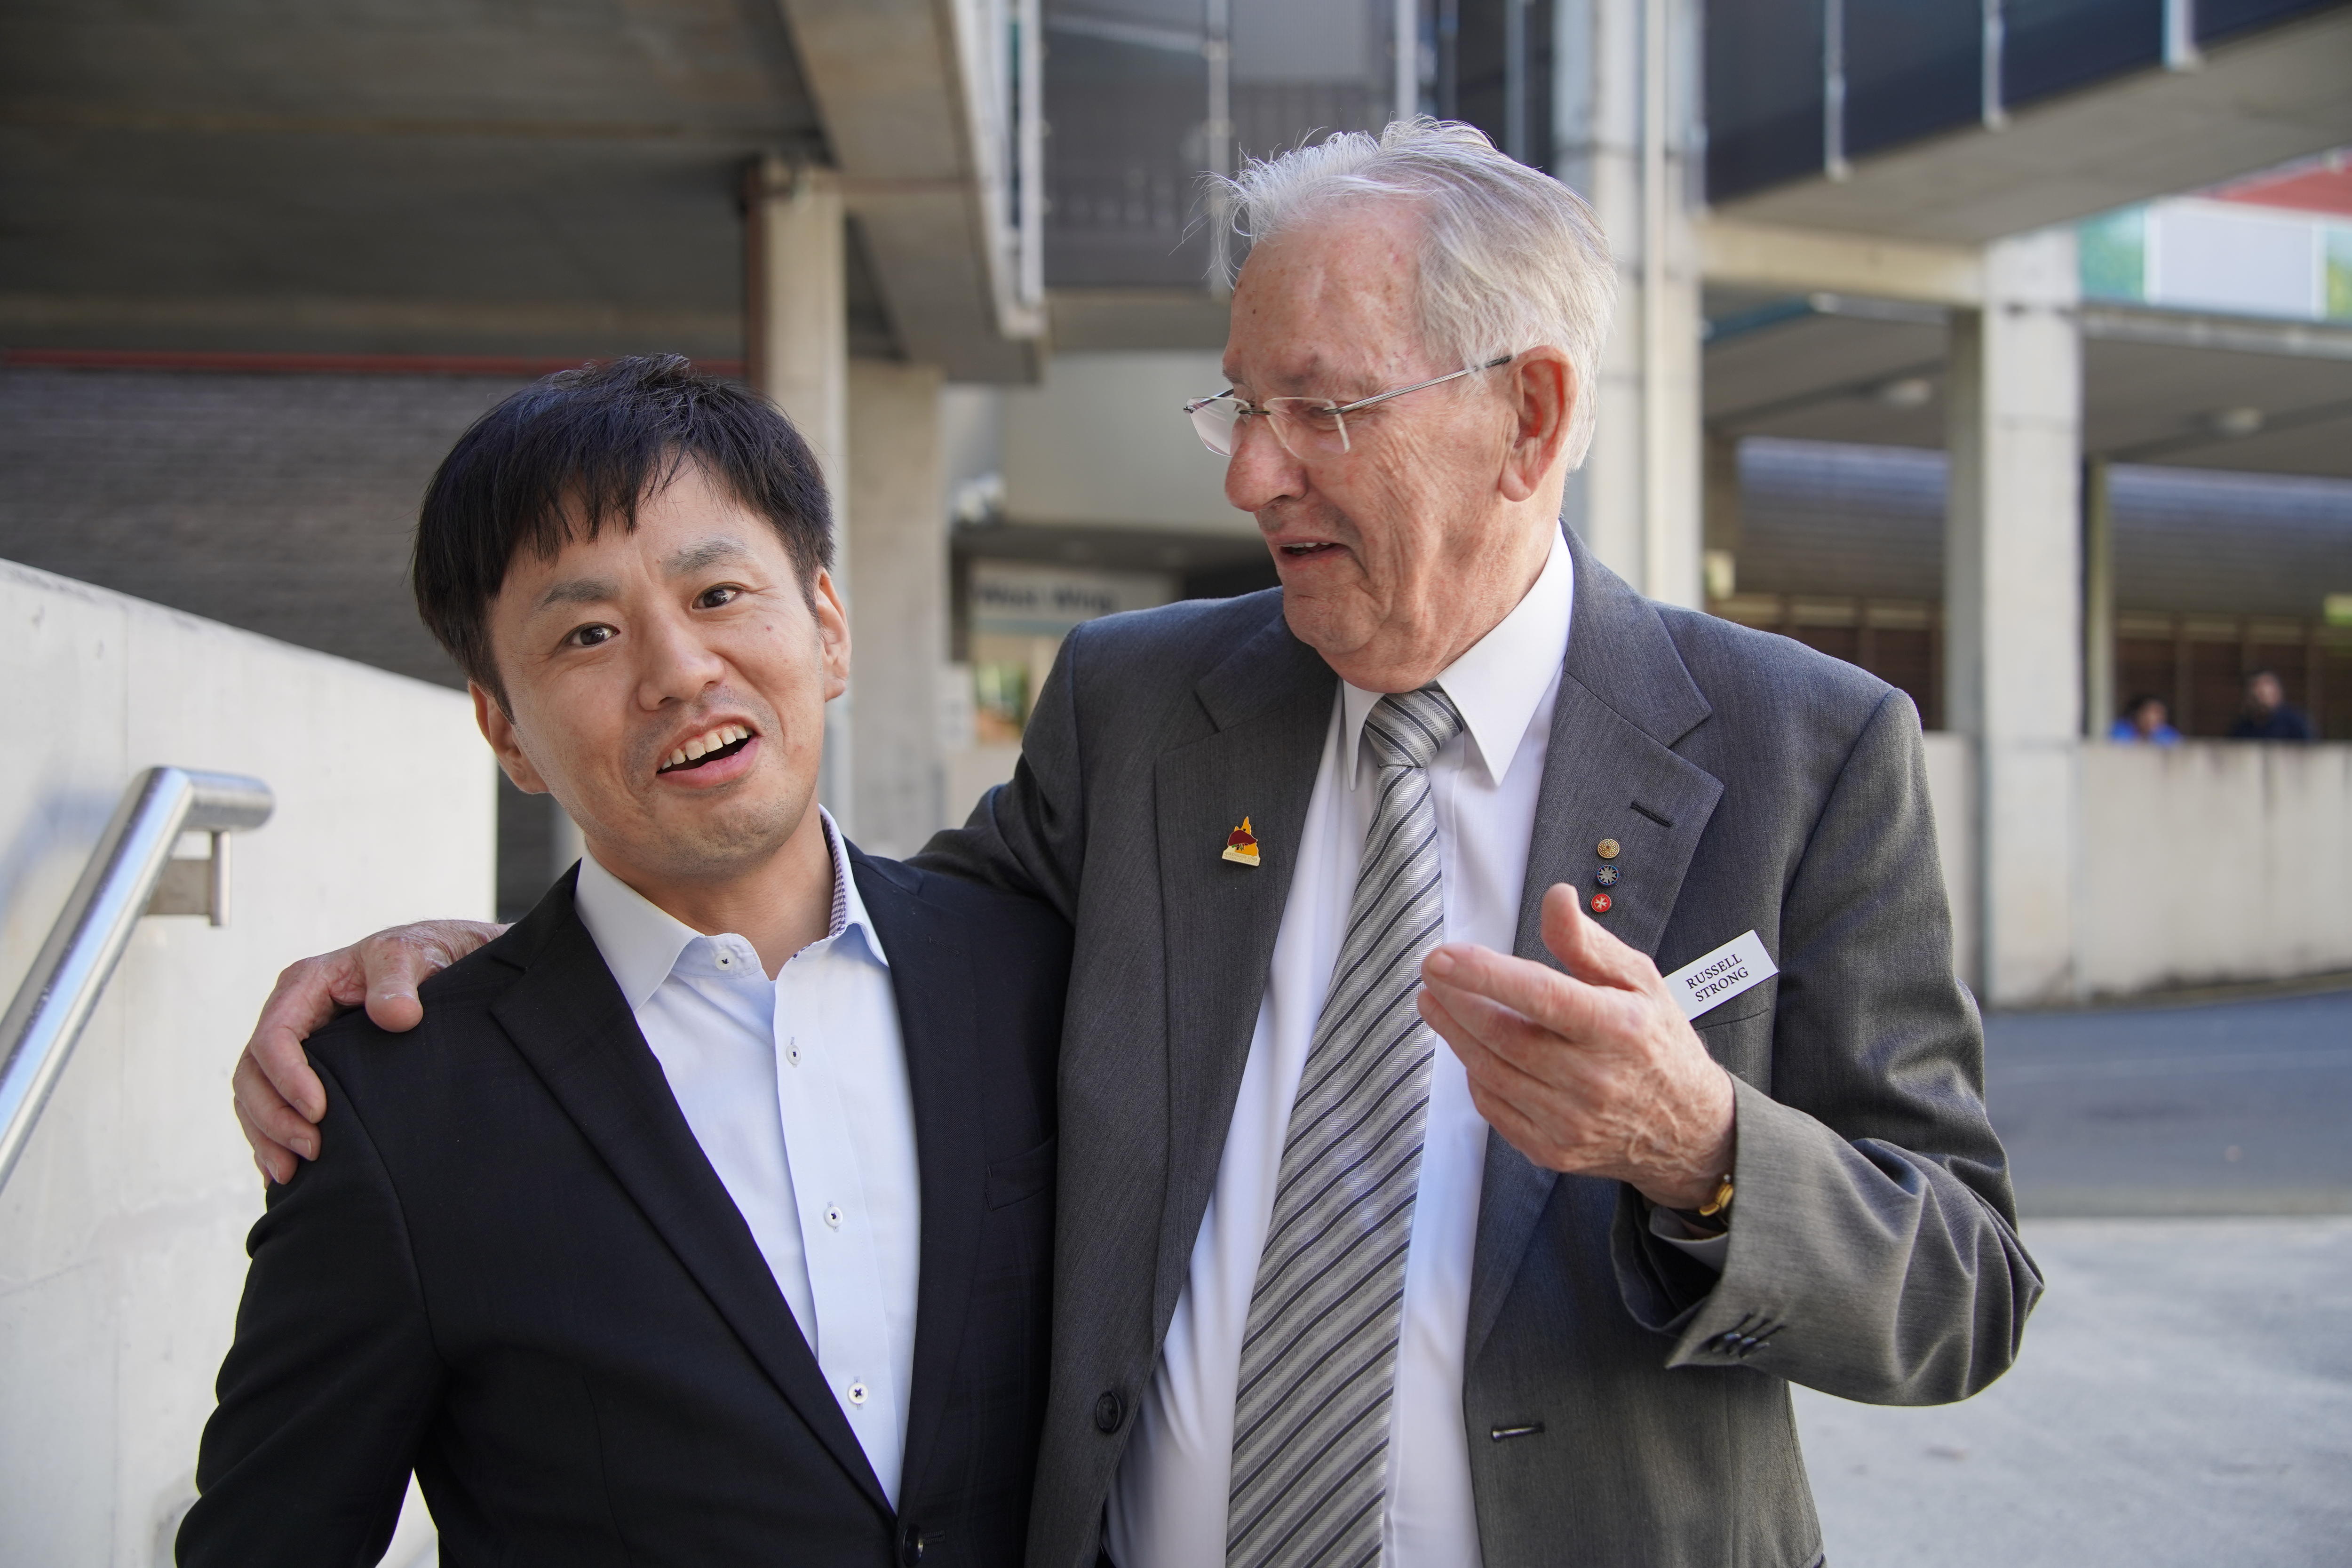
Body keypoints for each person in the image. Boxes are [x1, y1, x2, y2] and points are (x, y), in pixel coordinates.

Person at [232, 121, 2038, 1568]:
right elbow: (855, 936)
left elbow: (1959, 1283)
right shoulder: (1141, 708)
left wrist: (1701, 1149)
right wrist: (487, 985)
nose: (1247, 476)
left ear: (1529, 416)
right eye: (1236, 406)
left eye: (1317, 412)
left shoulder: (1803, 751)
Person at [182, 357, 1069, 1566]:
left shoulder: (1035, 978)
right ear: (507, 732)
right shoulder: (399, 1110)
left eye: (717, 594)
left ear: (828, 627)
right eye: (589, 632)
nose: (678, 670)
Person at [2230, 668, 2314, 740]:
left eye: (2265, 693)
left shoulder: (2295, 724)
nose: (2261, 697)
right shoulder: (2243, 728)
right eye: (2257, 693)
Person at [2111, 692, 2183, 744]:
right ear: (2137, 713)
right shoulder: (2122, 731)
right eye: (2150, 712)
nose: (2154, 718)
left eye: (2159, 714)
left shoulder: (2168, 734)